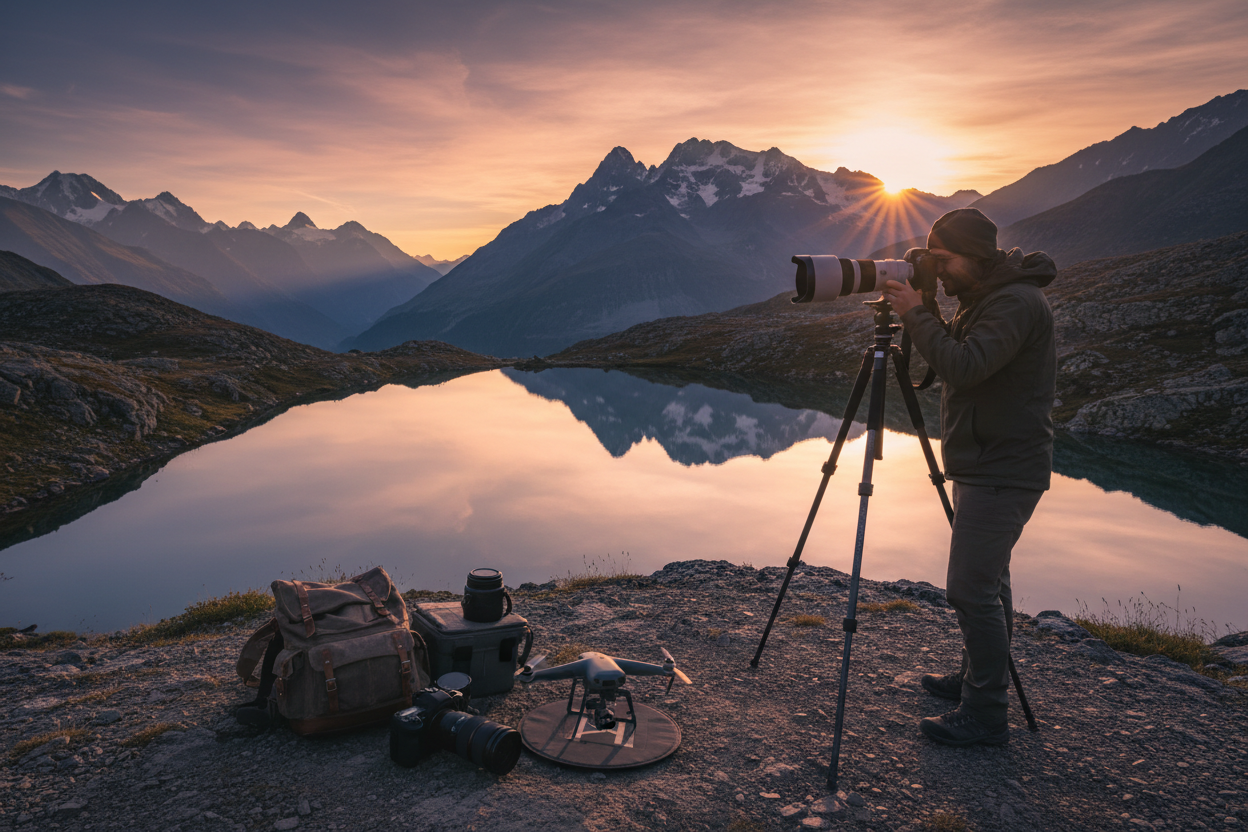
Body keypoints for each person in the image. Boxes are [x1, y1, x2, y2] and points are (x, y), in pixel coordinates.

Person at [881, 207, 1057, 747]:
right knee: (991, 584)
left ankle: (985, 713)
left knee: (969, 590)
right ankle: (974, 678)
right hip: (987, 461)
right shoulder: (987, 297)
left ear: (976, 257)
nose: (938, 271)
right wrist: (927, 304)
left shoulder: (1015, 302)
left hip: (1003, 466)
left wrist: (915, 313)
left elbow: (964, 366)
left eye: (944, 260)